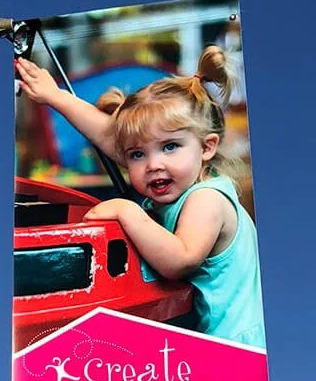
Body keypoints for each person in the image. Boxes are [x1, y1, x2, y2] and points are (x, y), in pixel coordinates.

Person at [15, 46, 265, 348]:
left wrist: (128, 212)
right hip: (214, 338)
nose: (153, 164)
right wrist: (56, 97)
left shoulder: (206, 200)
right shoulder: (179, 182)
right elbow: (109, 136)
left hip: (237, 346)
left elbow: (181, 259)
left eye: (170, 147)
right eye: (137, 154)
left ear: (206, 147)